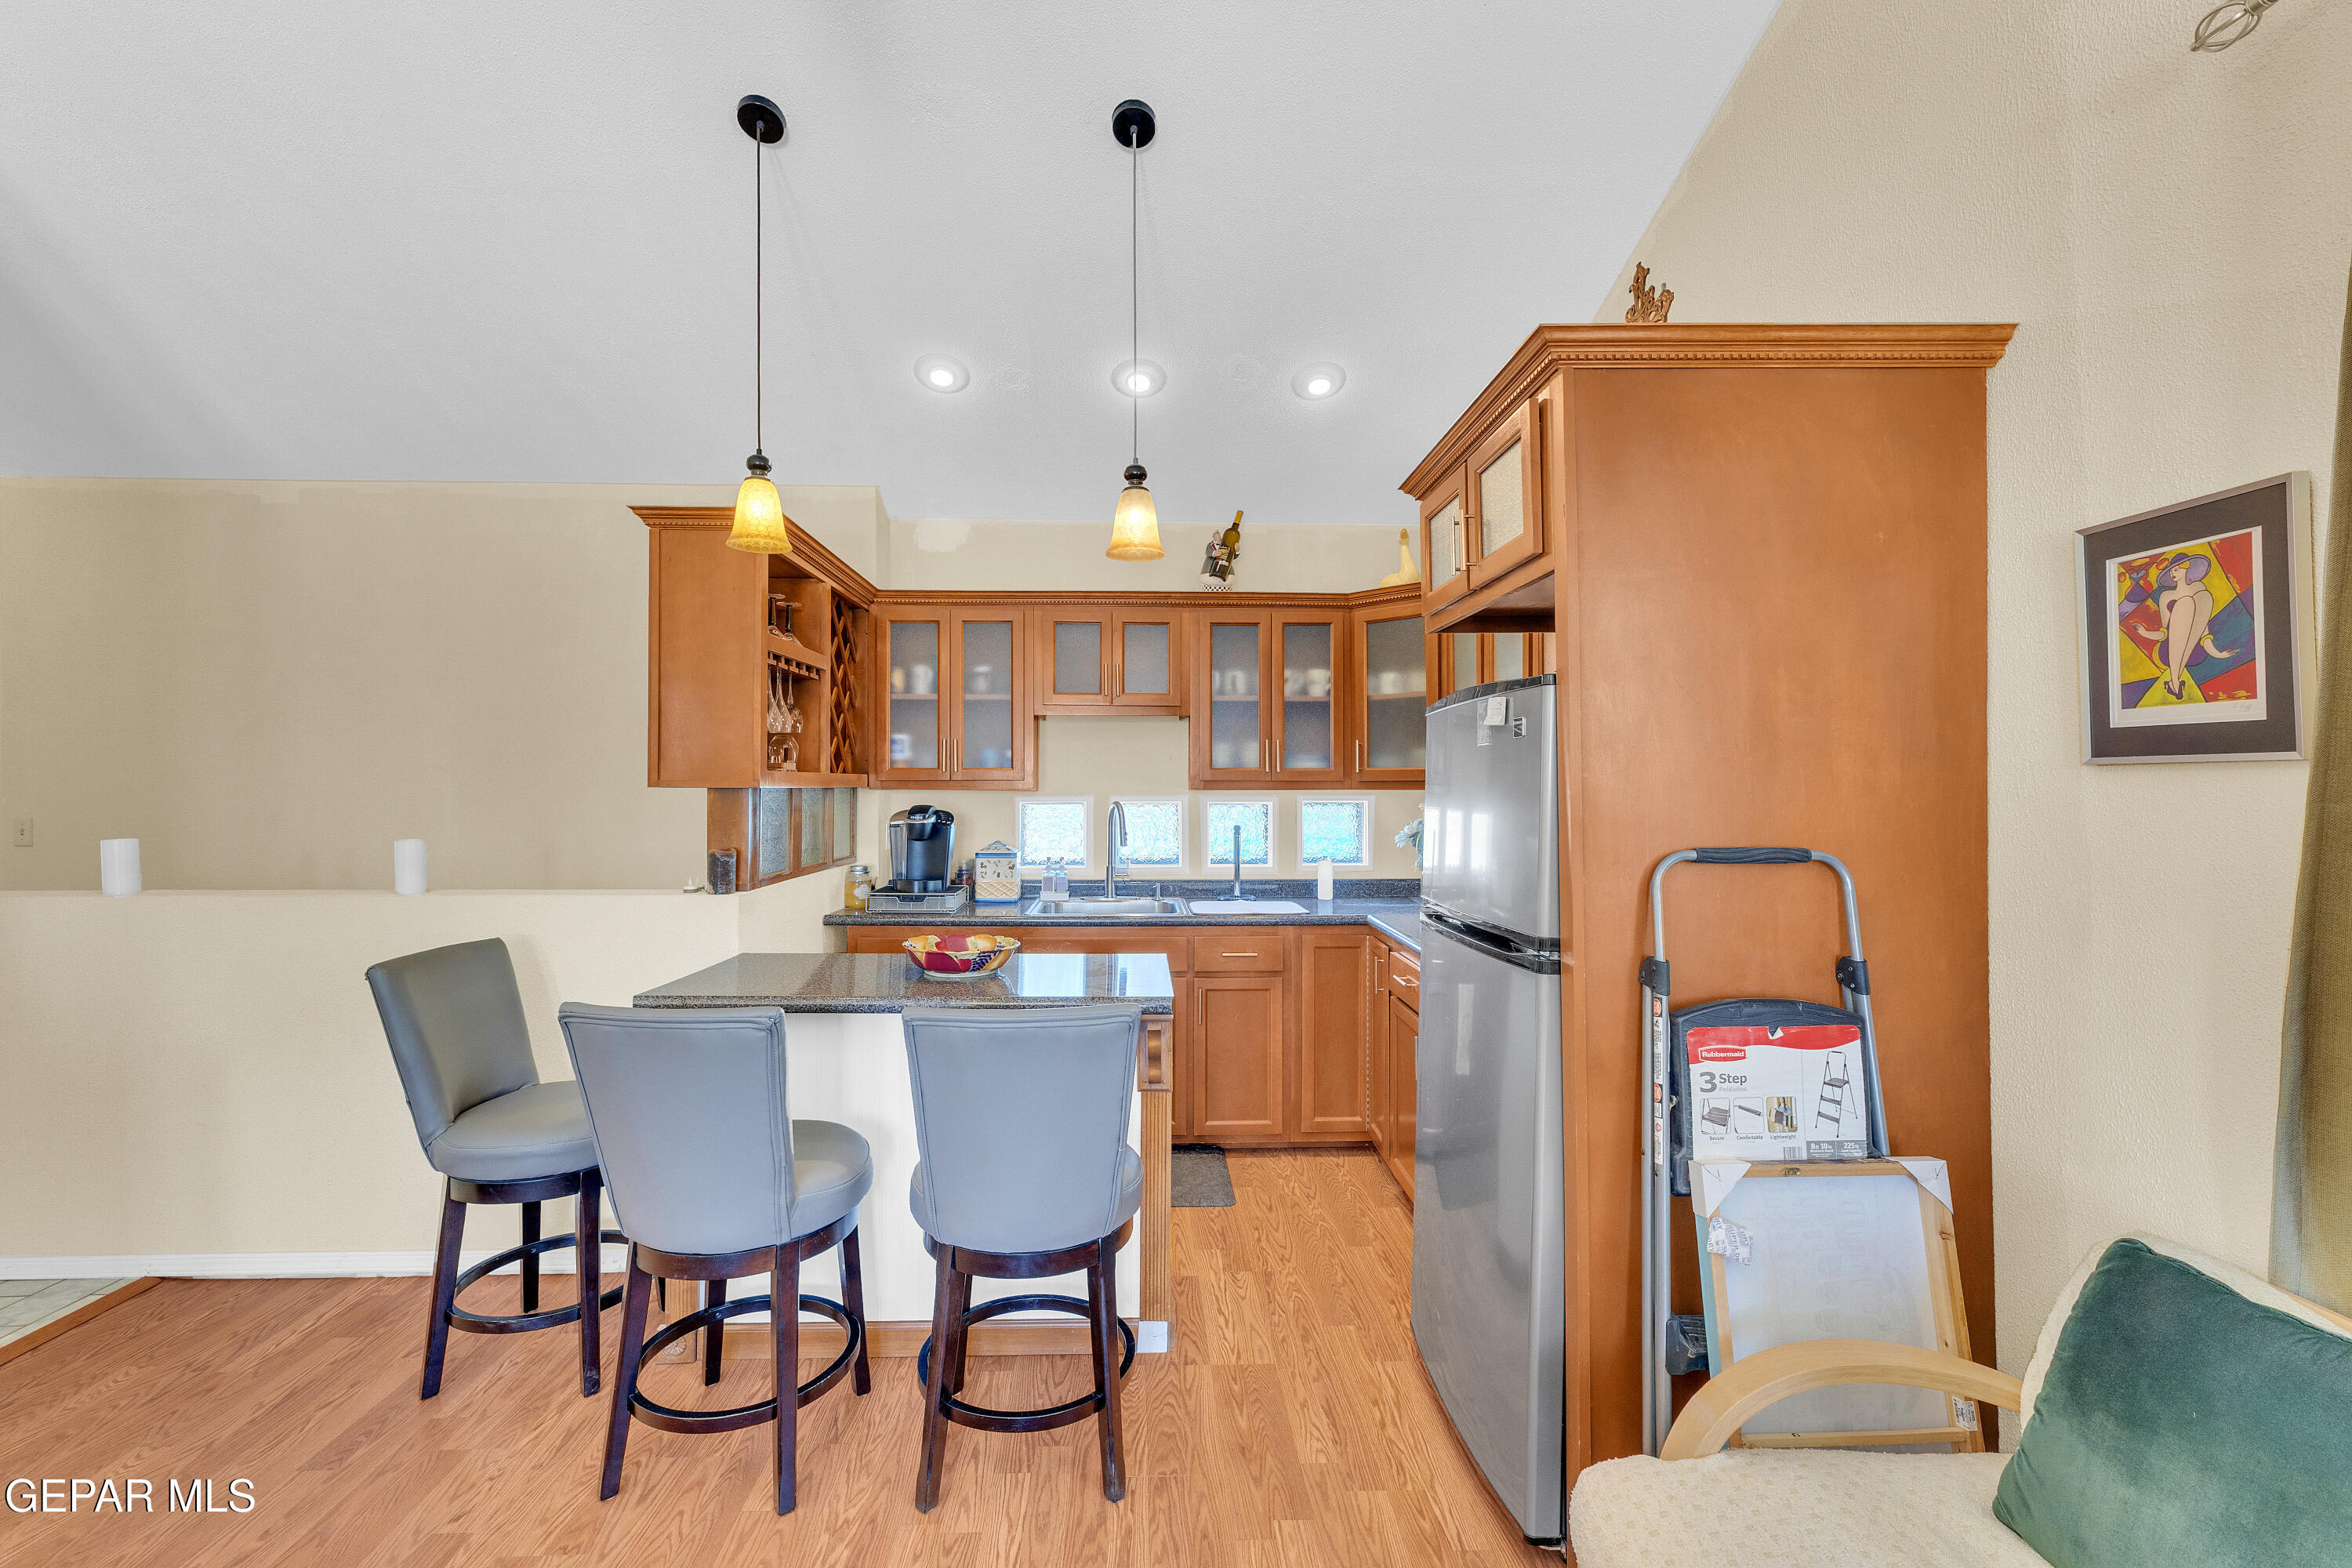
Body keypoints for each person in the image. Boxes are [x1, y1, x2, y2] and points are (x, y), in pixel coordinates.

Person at [2140, 554, 2238, 701]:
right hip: (2169, 651)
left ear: (2186, 568)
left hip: (2194, 652)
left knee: (2203, 597)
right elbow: (2165, 633)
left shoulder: (2199, 588)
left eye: (2176, 569)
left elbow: (2204, 629)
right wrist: (2146, 633)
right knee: (2186, 603)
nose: (2172, 573)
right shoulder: (2166, 596)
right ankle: (2175, 680)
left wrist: (2216, 653)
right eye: (2171, 571)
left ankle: (2174, 683)